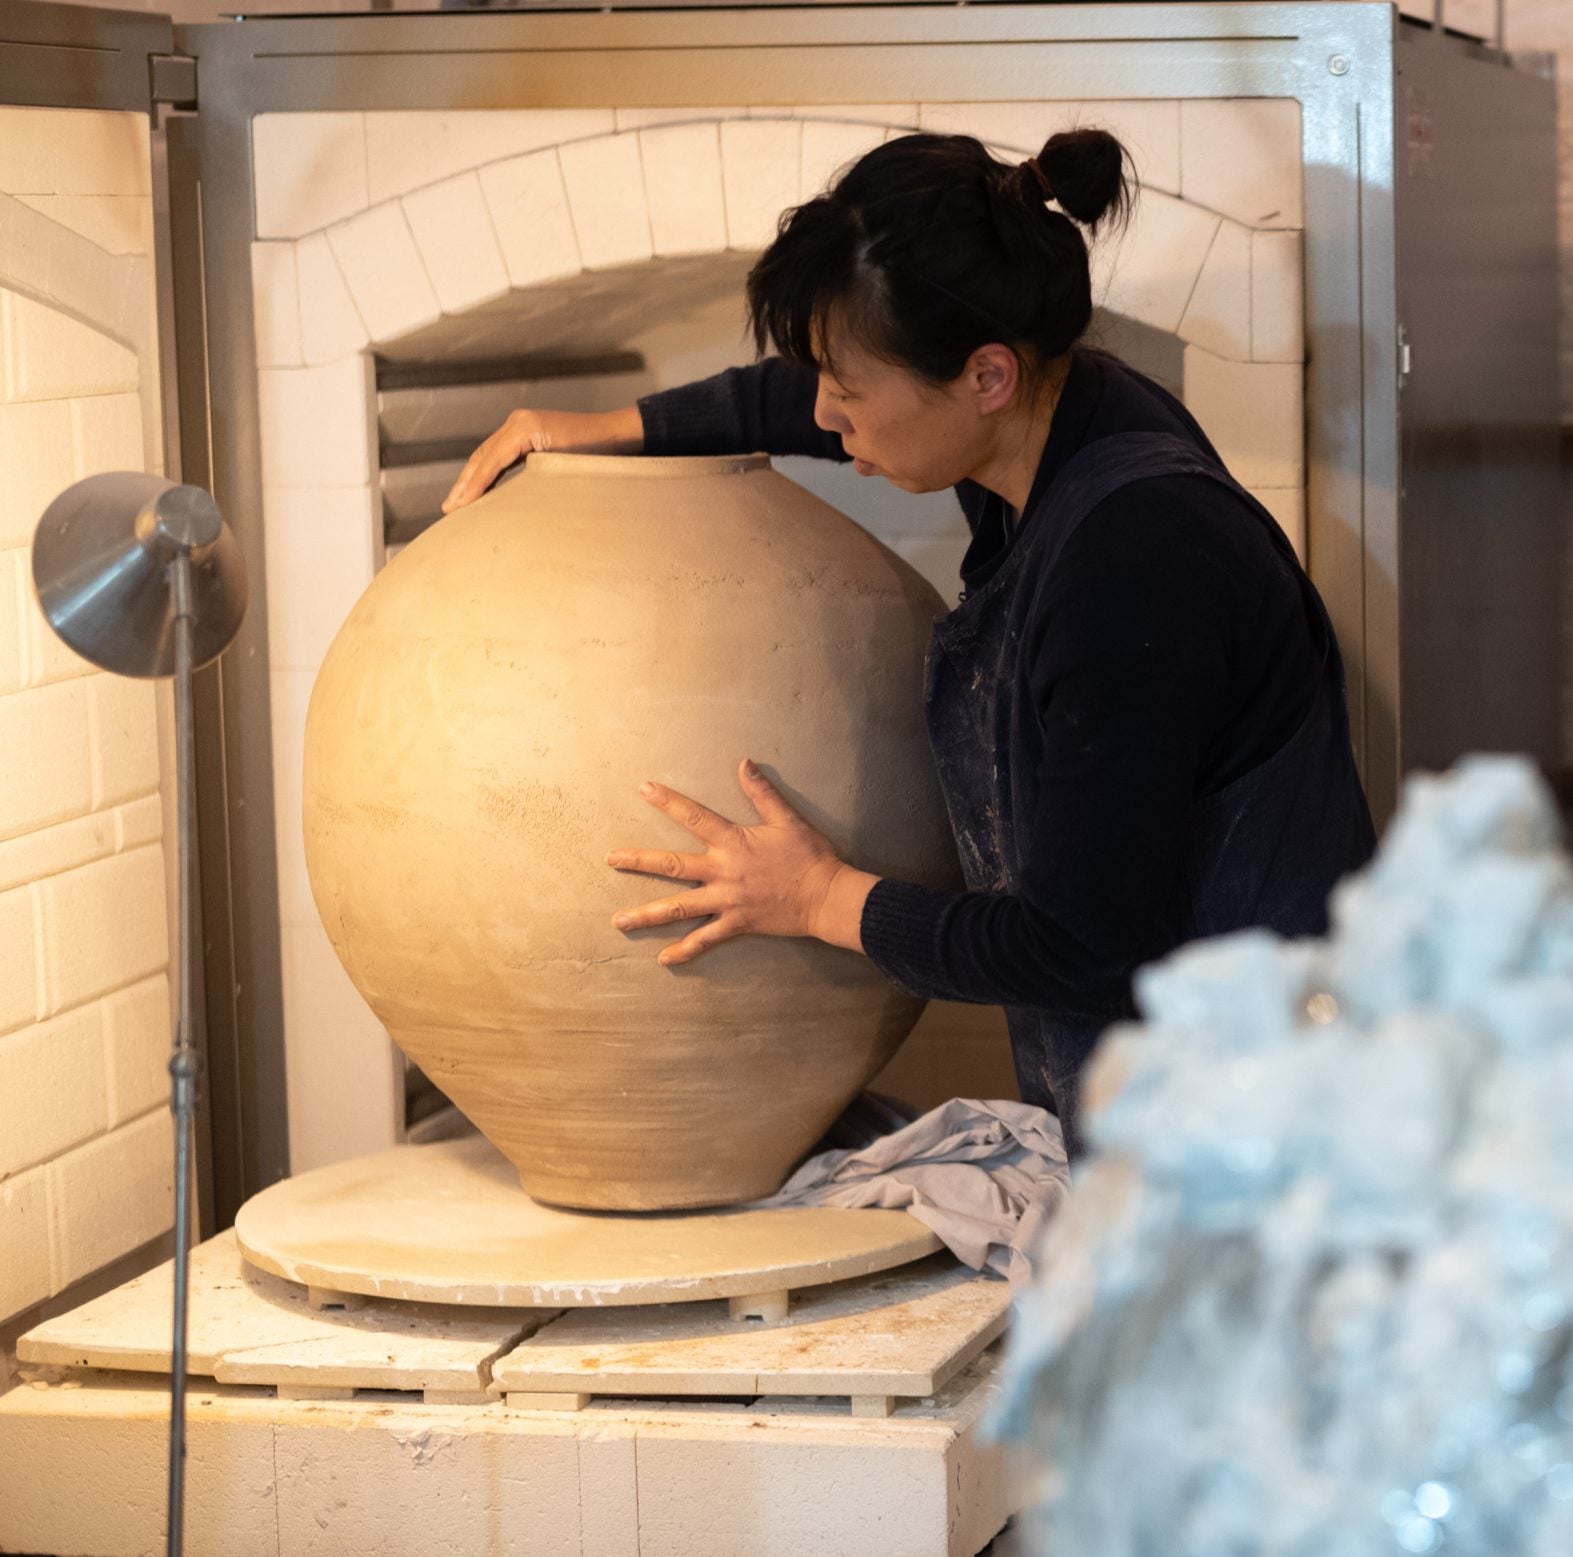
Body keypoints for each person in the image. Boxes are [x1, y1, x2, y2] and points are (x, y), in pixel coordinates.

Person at [443, 128, 1376, 1141]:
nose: (828, 420)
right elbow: (802, 399)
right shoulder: (1064, 418)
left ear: (986, 377)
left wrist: (815, 898)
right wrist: (603, 424)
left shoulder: (1135, 560)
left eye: (846, 393)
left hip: (1269, 1130)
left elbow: (1076, 943)